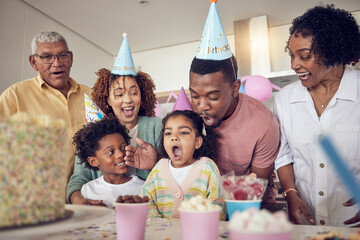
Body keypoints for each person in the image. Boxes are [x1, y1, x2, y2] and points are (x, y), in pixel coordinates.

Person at [273, 4, 360, 226]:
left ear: (333, 51)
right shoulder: (285, 99)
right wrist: (290, 192)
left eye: (304, 56)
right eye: (291, 56)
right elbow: (283, 154)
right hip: (306, 223)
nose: (294, 65)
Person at [0, 31, 91, 183]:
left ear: (71, 58)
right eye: (47, 57)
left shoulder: (90, 94)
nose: (57, 63)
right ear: (33, 62)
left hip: (89, 195)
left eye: (63, 55)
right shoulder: (14, 96)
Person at [189, 56, 280, 203]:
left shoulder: (264, 123)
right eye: (195, 96)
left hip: (246, 204)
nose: (202, 106)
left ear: (235, 88)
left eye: (212, 97)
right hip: (203, 205)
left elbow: (258, 190)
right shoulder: (187, 114)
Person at [141, 110, 225, 219]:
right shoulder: (159, 168)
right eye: (168, 133)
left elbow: (218, 204)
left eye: (183, 132)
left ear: (197, 142)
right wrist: (156, 221)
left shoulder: (207, 167)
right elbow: (145, 199)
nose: (174, 137)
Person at [73, 117, 144, 208]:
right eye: (111, 152)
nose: (120, 154)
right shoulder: (87, 190)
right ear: (93, 161)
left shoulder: (142, 187)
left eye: (123, 147)